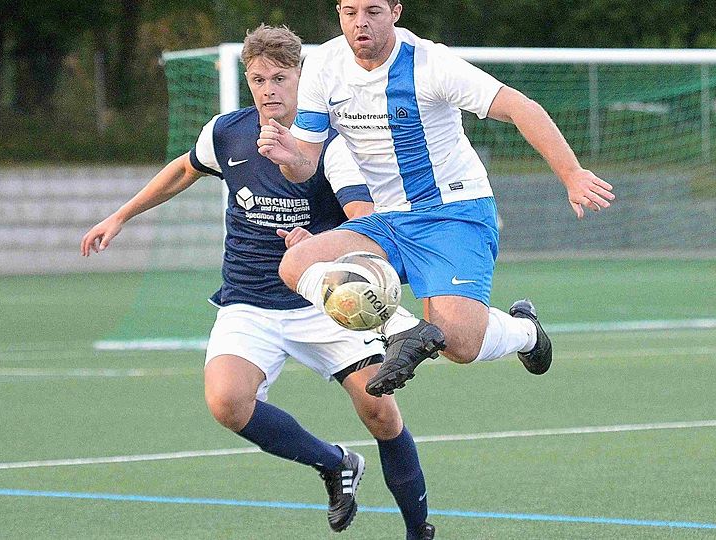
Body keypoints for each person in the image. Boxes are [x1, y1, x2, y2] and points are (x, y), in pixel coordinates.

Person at [81, 24, 435, 540]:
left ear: (300, 77)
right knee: (226, 402)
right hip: (249, 302)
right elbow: (184, 169)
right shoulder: (229, 132)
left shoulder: (330, 139)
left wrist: (317, 241)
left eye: (280, 77)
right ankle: (334, 464)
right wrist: (121, 216)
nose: (269, 89)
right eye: (258, 79)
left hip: (323, 302)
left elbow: (363, 213)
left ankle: (417, 530)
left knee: (381, 413)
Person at [257, 0, 615, 397]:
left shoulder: (430, 64)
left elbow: (519, 107)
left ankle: (525, 331)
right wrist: (290, 160)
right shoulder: (323, 65)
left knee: (459, 344)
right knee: (296, 263)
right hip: (389, 220)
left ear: (395, 11)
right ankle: (402, 329)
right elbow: (305, 162)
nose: (361, 23)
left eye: (373, 11)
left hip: (454, 213)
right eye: (350, 12)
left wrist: (572, 173)